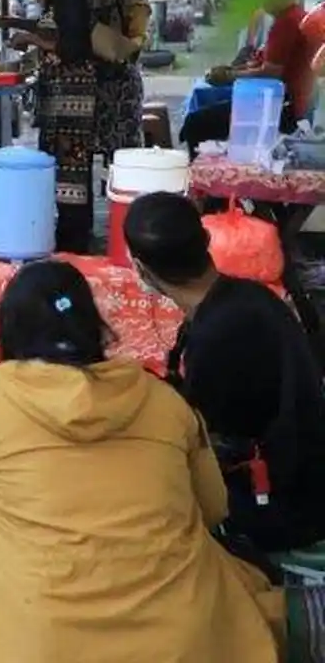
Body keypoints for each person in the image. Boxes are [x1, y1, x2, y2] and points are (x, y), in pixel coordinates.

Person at [0, 258, 284, 663]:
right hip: (178, 646)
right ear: (93, 325)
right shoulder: (165, 403)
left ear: (9, 330)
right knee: (253, 572)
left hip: (31, 646)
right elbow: (212, 508)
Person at [124, 191, 325, 555]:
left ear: (140, 269)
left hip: (279, 510)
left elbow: (201, 441)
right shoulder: (248, 297)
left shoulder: (219, 337)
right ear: (204, 241)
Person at [0, 0, 97, 253]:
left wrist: (32, 39)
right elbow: (49, 27)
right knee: (63, 170)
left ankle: (74, 245)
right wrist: (10, 22)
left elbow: (75, 44)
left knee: (71, 171)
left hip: (73, 98)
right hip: (59, 96)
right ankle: (71, 239)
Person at [180, 0, 315, 157]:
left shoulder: (287, 23)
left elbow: (270, 73)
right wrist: (232, 70)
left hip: (282, 109)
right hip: (280, 101)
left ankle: (201, 178)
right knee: (206, 110)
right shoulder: (291, 18)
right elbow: (263, 63)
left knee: (195, 123)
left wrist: (230, 76)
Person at [82, 0, 148, 156]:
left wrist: (112, 46)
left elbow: (137, 38)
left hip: (120, 85)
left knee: (123, 156)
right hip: (84, 85)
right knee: (81, 155)